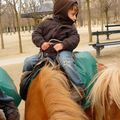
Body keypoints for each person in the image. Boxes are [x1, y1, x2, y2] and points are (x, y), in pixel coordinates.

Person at [22, 0, 85, 91]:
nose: (75, 18)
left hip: (63, 52)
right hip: (45, 54)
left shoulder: (71, 26)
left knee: (66, 62)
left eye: (76, 15)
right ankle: (25, 85)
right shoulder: (46, 23)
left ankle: (79, 87)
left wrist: (63, 45)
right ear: (62, 11)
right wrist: (42, 43)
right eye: (73, 14)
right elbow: (36, 34)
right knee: (28, 61)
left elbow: (75, 38)